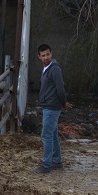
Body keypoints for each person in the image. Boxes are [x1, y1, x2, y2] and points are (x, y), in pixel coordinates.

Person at [33, 43, 70, 174]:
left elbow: (60, 88)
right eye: (43, 55)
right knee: (53, 134)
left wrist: (63, 102)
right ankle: (57, 161)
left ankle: (46, 165)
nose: (46, 57)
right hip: (49, 105)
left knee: (46, 135)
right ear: (39, 57)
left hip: (52, 106)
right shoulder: (47, 69)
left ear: (51, 54)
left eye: (48, 54)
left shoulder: (54, 69)